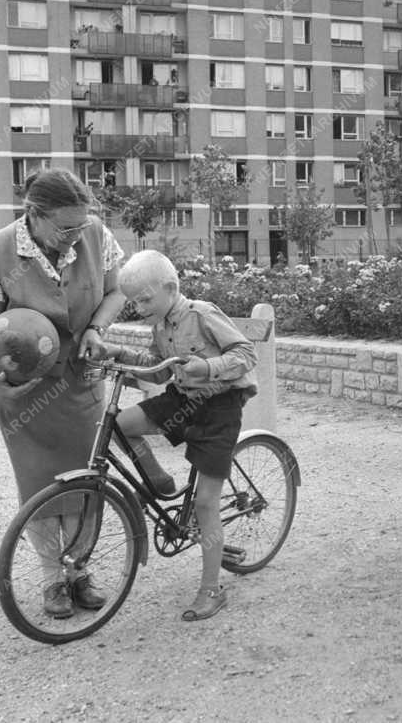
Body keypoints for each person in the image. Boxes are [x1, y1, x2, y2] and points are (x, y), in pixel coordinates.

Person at [0, 169, 169, 620]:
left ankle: (79, 571)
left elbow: (117, 289)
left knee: (86, 482)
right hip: (24, 394)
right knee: (38, 486)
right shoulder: (0, 252)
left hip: (80, 383)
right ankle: (51, 580)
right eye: (65, 228)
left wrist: (97, 328)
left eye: (81, 226)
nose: (75, 236)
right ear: (33, 216)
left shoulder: (93, 236)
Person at [92, 250, 258, 621]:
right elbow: (158, 371)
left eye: (144, 299)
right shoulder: (161, 324)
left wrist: (209, 366)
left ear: (170, 288)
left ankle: (211, 589)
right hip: (180, 399)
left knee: (205, 504)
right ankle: (160, 483)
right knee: (118, 423)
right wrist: (116, 352)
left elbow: (246, 354)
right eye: (133, 302)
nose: (137, 307)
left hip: (219, 408)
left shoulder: (202, 314)